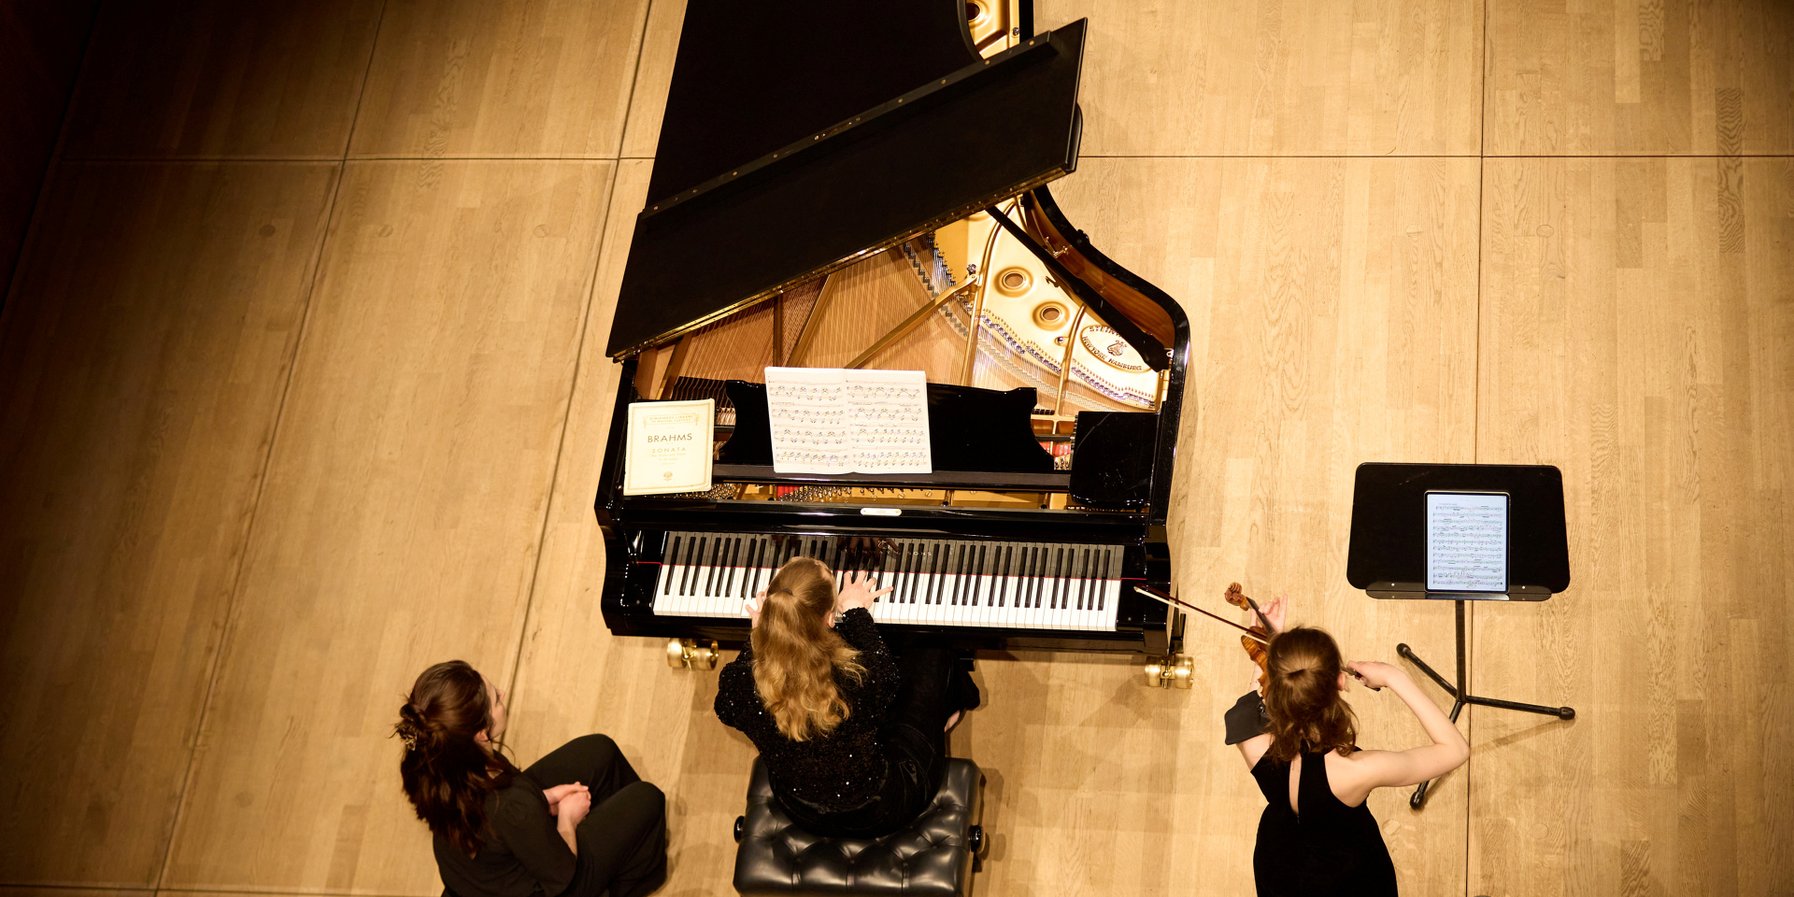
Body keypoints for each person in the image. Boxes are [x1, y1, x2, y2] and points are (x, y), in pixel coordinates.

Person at [714, 555, 979, 839]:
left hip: (801, 807)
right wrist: (855, 612)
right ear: (830, 618)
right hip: (880, 807)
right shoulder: (853, 681)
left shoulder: (738, 686)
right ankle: (945, 716)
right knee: (933, 649)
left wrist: (760, 637)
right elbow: (888, 677)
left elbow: (726, 709)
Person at [1223, 598, 1470, 896]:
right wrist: (1394, 676)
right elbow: (1455, 749)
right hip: (1344, 879)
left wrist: (1277, 645)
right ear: (1341, 681)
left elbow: (1262, 690)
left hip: (1281, 869)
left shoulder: (1247, 733)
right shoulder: (1356, 771)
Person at [395, 660, 667, 897]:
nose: (503, 693)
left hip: (499, 858)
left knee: (598, 750)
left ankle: (627, 847)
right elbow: (561, 873)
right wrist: (567, 820)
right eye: (496, 700)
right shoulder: (510, 807)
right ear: (480, 733)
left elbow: (504, 820)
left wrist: (543, 798)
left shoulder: (443, 767)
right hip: (553, 884)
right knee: (647, 798)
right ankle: (624, 878)